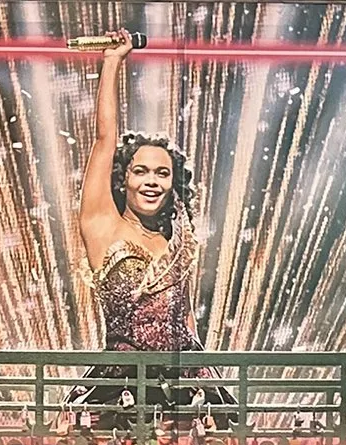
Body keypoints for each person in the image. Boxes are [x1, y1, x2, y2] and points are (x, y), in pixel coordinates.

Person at [73, 29, 233, 423]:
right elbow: (104, 138)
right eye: (140, 170)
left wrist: (207, 377)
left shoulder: (176, 239)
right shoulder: (102, 225)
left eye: (162, 173)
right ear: (122, 179)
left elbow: (187, 319)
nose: (151, 181)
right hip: (123, 385)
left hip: (187, 382)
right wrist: (113, 62)